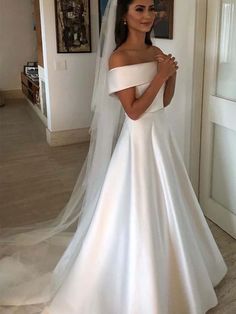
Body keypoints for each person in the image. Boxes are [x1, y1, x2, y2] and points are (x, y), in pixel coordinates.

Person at [0, 0, 227, 313]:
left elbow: (165, 102)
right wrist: (161, 76)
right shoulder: (119, 58)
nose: (148, 15)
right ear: (124, 16)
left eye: (151, 8)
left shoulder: (155, 51)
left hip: (161, 138)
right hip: (138, 143)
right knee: (137, 205)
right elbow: (133, 112)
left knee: (171, 202)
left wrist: (170, 75)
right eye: (139, 9)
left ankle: (180, 268)